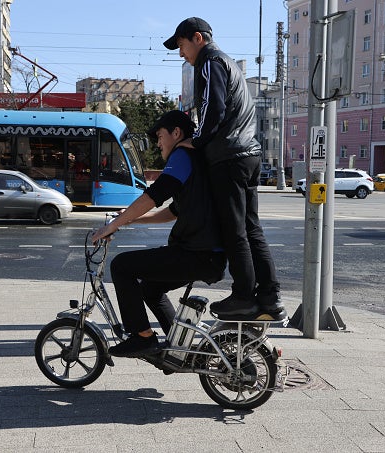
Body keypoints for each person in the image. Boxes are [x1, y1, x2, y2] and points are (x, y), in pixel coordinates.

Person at [163, 17, 286, 321]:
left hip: (228, 156)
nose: (181, 54)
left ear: (197, 38)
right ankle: (269, 297)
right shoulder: (228, 63)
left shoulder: (210, 61)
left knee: (234, 230)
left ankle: (243, 296)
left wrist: (197, 140)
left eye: (181, 46)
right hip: (248, 154)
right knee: (251, 228)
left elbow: (212, 108)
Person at [91, 110, 226, 357]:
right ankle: (178, 350)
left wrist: (115, 224)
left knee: (122, 266)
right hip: (205, 255)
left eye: (160, 136)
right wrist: (128, 220)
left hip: (197, 253)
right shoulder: (195, 161)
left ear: (177, 133)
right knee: (150, 289)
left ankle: (142, 337)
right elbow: (172, 211)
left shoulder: (182, 155)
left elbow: (154, 195)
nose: (158, 143)